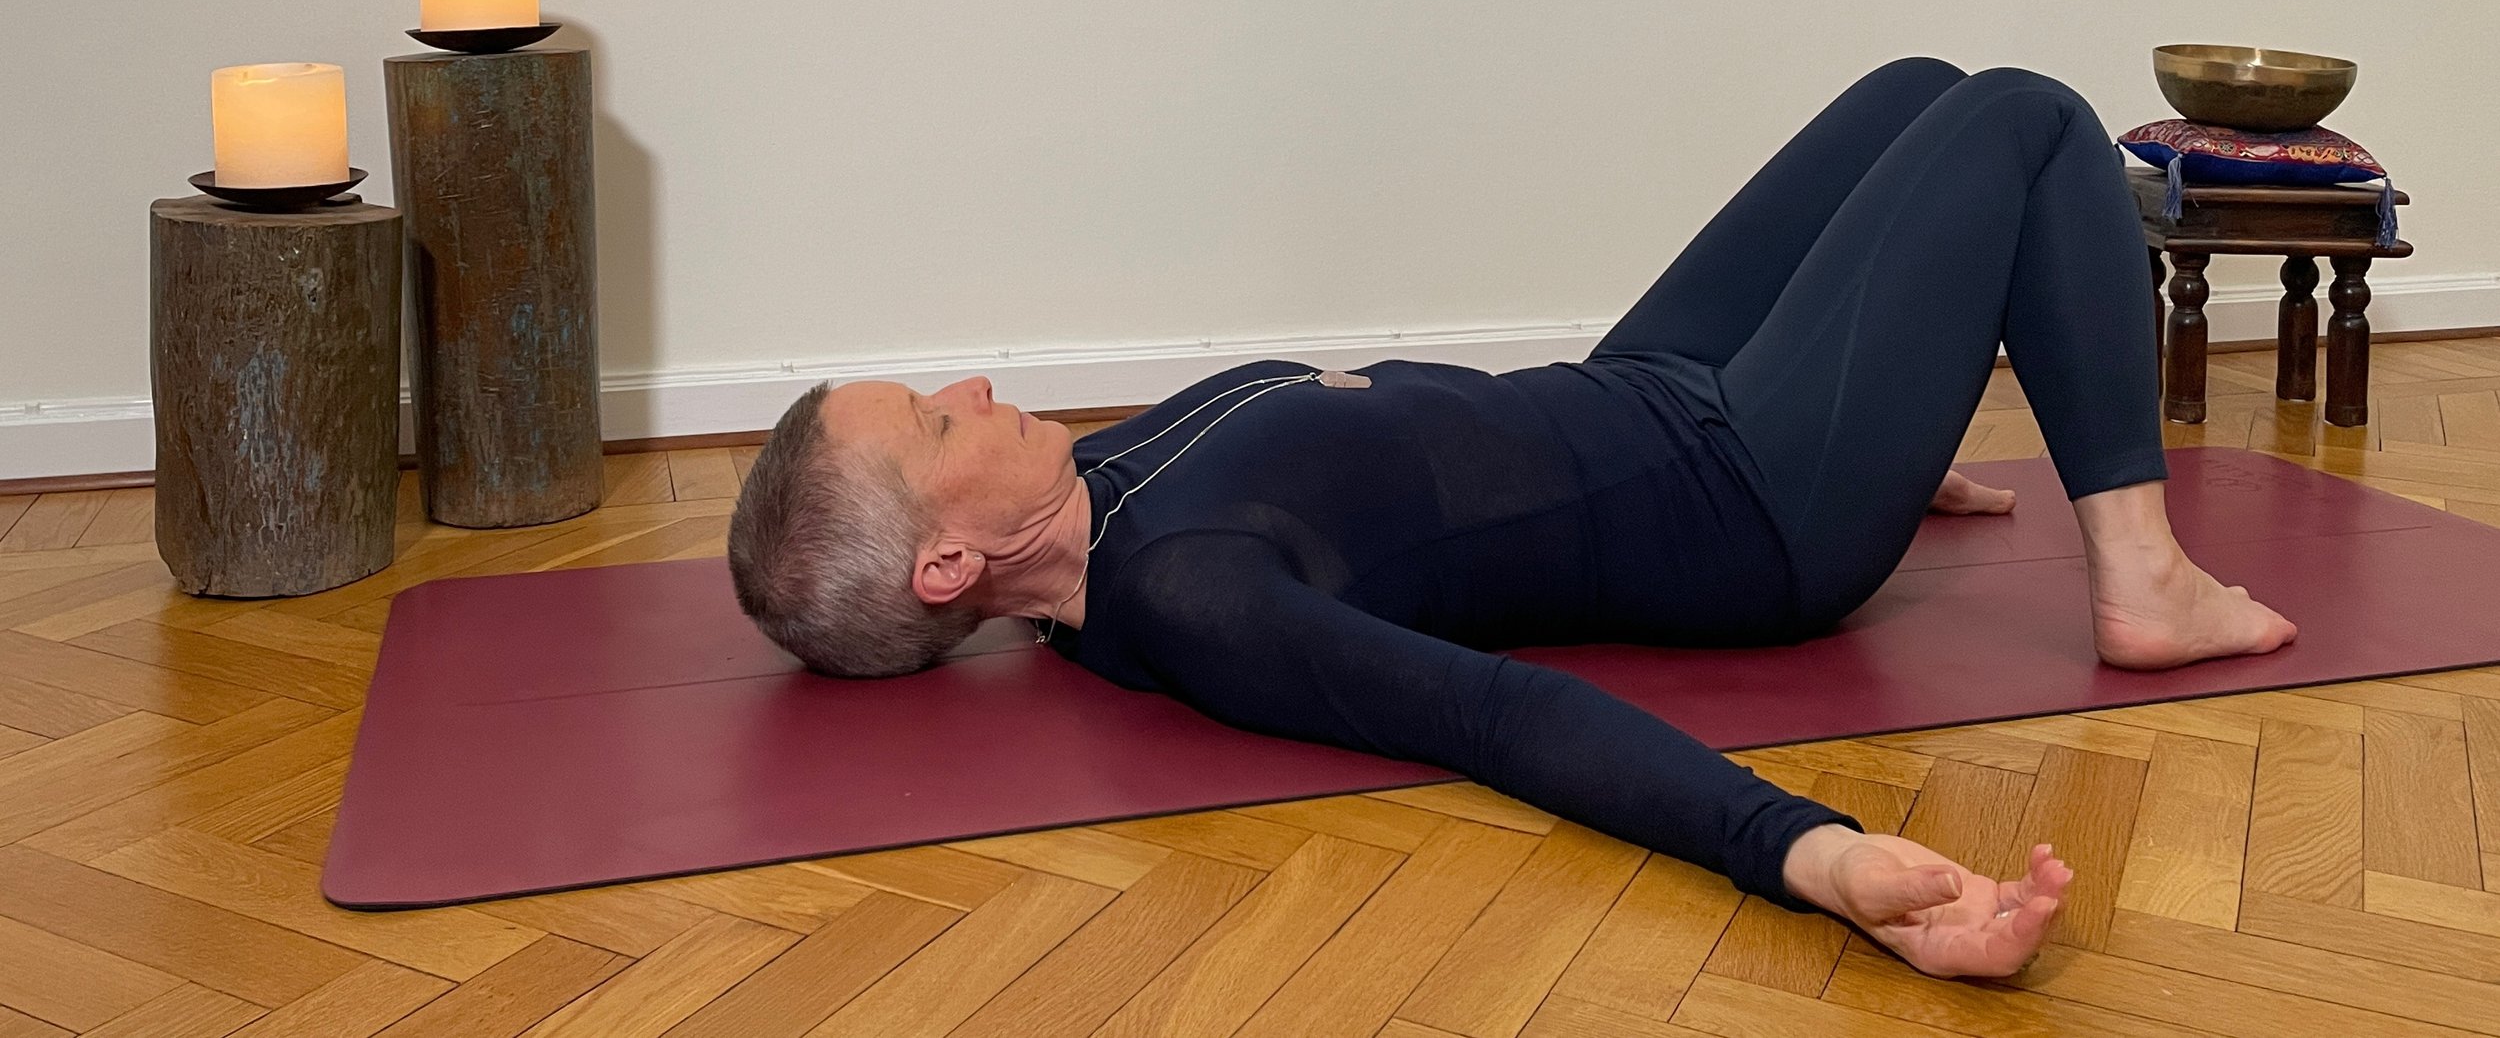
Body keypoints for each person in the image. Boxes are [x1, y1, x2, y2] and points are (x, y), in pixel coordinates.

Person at [727, 60, 2294, 979]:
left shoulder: (1086, 508)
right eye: (936, 422)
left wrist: (1894, 418)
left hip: (1649, 387)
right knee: (2024, 116)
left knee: (1916, 92)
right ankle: (2141, 576)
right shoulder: (1193, 596)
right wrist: (1811, 858)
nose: (973, 386)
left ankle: (1888, 430)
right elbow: (1501, 718)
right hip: (1748, 501)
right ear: (948, 561)